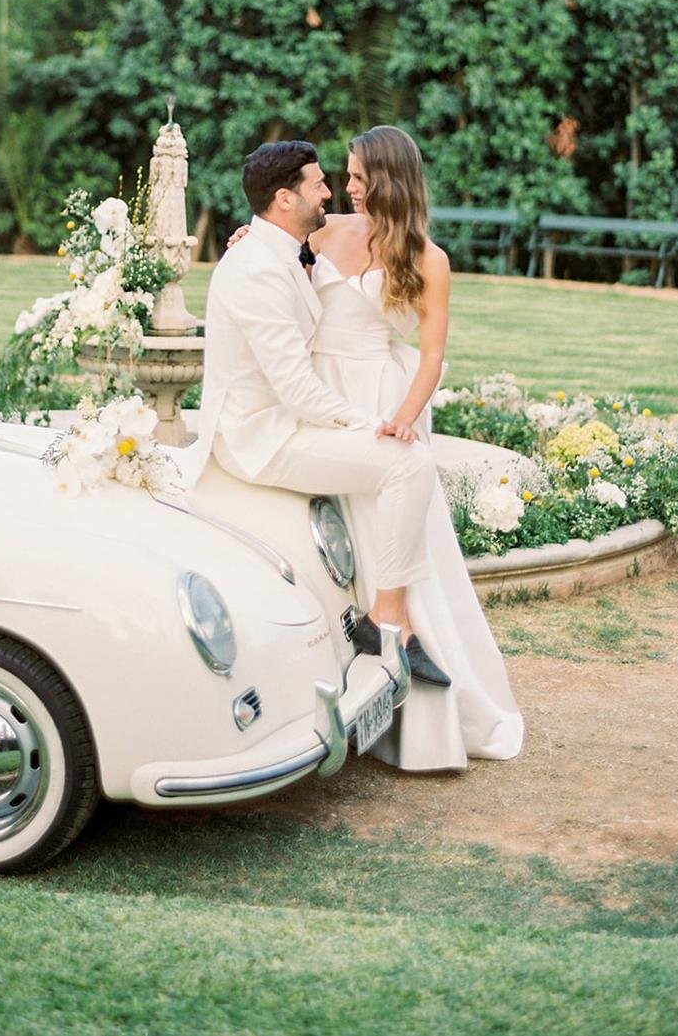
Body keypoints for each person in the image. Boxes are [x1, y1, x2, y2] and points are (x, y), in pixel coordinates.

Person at [228, 126, 524, 771]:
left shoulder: (427, 257)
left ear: (390, 179)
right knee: (336, 542)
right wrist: (251, 236)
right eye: (344, 177)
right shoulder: (323, 229)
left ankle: (412, 695)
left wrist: (405, 418)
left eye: (359, 177)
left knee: (391, 516)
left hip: (379, 395)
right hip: (312, 391)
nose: (347, 188)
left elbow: (434, 353)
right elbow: (276, 241)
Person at [186, 139, 451, 686]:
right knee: (408, 463)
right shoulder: (261, 265)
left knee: (402, 468)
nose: (334, 190)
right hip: (271, 430)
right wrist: (372, 423)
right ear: (286, 199)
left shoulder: (289, 249)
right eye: (323, 183)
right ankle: (387, 621)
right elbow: (297, 387)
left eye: (350, 177)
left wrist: (395, 413)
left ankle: (387, 618)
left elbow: (429, 351)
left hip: (324, 400)